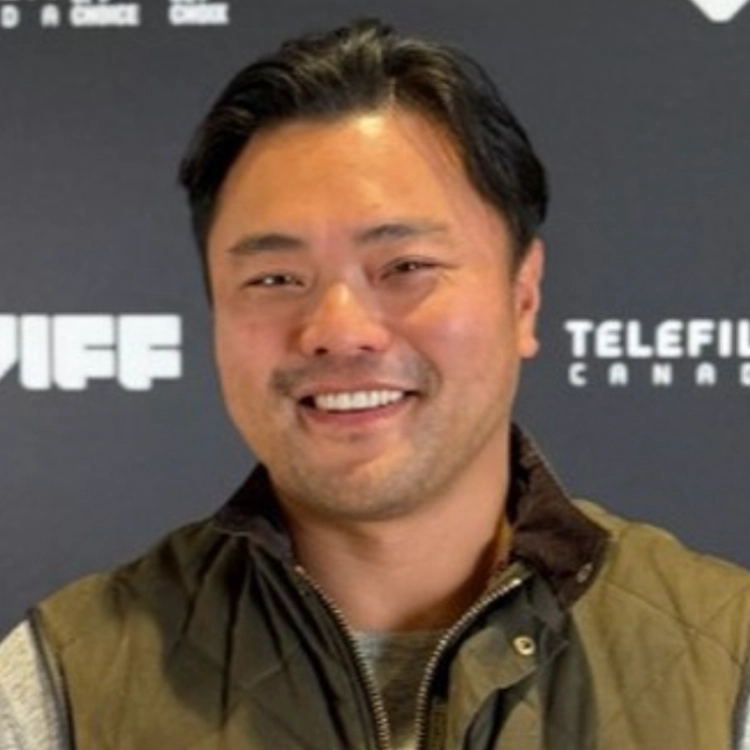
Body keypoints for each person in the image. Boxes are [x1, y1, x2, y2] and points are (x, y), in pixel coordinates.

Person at [2, 18, 750, 750]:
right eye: (275, 278)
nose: (338, 328)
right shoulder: (64, 686)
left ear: (523, 297)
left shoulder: (727, 665)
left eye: (406, 267)